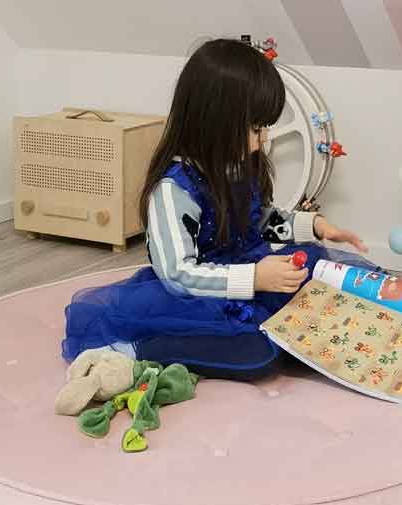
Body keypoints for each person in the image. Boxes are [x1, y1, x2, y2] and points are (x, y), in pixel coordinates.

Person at [61, 38, 372, 380]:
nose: (263, 139)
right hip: (199, 296)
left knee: (315, 266)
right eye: (256, 129)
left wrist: (314, 226)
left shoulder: (238, 166)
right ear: (214, 122)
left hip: (248, 275)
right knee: (256, 353)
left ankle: (282, 336)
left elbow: (257, 221)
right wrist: (253, 278)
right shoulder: (173, 190)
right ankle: (143, 349)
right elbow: (178, 274)